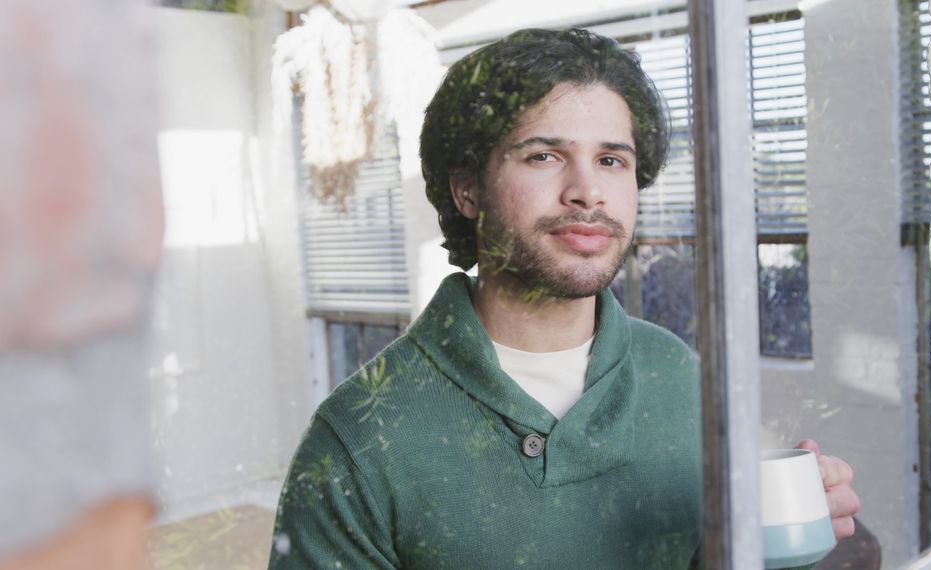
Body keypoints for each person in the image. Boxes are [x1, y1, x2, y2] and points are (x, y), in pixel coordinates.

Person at [269, 27, 858, 569]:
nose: (587, 192)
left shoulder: (675, 375)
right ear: (468, 189)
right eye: (544, 156)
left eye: (610, 160)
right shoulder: (358, 442)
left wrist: (781, 537)